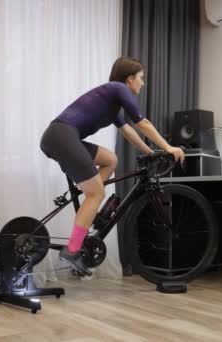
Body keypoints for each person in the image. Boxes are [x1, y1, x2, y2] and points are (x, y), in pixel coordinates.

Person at [40, 57, 185, 276]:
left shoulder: (112, 102)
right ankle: (72, 250)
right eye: (141, 78)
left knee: (110, 159)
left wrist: (151, 152)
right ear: (130, 79)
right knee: (96, 193)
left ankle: (91, 207)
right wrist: (169, 147)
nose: (142, 84)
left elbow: (128, 131)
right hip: (62, 136)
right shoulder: (119, 88)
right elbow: (142, 123)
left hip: (63, 136)